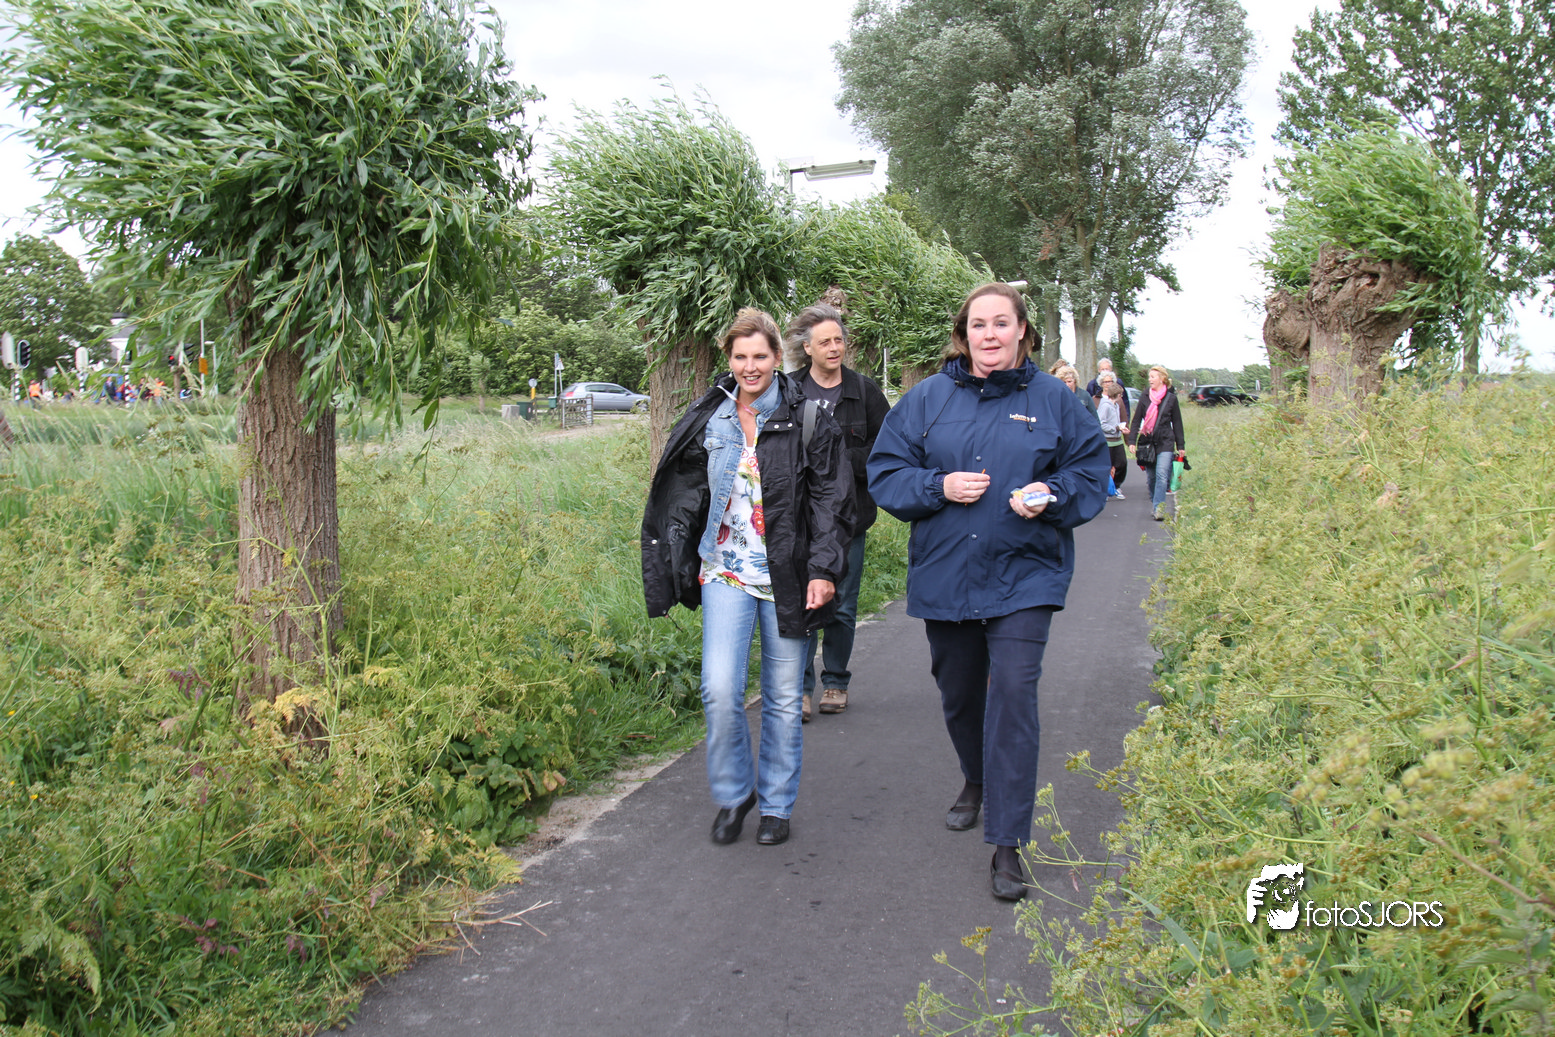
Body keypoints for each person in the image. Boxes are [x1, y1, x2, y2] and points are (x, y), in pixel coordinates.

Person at [867, 283, 1110, 900]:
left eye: (1002, 323)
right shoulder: (927, 398)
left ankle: (1007, 843)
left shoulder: (1055, 399)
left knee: (1014, 695)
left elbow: (1091, 473)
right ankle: (975, 778)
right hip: (947, 571)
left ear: (1023, 330)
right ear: (964, 333)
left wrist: (1050, 494)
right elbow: (885, 472)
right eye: (979, 324)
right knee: (959, 694)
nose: (990, 334)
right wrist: (938, 487)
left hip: (1027, 573)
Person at [641, 307, 855, 848]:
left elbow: (832, 501)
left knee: (782, 697)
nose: (750, 366)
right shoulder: (711, 416)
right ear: (729, 359)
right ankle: (735, 793)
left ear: (778, 357)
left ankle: (777, 805)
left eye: (760, 355)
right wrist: (673, 556)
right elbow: (684, 491)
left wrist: (824, 569)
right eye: (740, 356)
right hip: (725, 571)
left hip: (789, 576)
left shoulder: (809, 419)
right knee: (718, 689)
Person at [783, 303, 890, 722]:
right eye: (824, 342)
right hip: (797, 520)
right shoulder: (787, 390)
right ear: (807, 348)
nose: (834, 348)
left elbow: (888, 448)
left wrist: (838, 461)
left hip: (849, 519)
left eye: (839, 340)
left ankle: (836, 682)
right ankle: (801, 689)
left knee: (842, 603)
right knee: (804, 602)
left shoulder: (865, 392)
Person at [1128, 365, 1186, 522]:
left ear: (1162, 379)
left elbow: (1177, 423)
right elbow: (1136, 420)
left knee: (1162, 475)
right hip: (1148, 441)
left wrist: (1180, 445)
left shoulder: (1171, 399)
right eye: (1149, 377)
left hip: (1166, 441)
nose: (1150, 379)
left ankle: (1158, 508)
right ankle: (1155, 501)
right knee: (1152, 477)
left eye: (1153, 377)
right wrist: (1132, 440)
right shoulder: (1145, 396)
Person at [1097, 373, 1129, 499]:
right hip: (1108, 440)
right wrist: (1115, 428)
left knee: (1122, 463)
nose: (1122, 397)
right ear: (1117, 395)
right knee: (1106, 466)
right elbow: (1101, 423)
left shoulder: (1116, 405)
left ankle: (1115, 487)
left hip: (1117, 440)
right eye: (1120, 394)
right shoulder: (1105, 405)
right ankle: (1105, 490)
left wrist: (1121, 428)